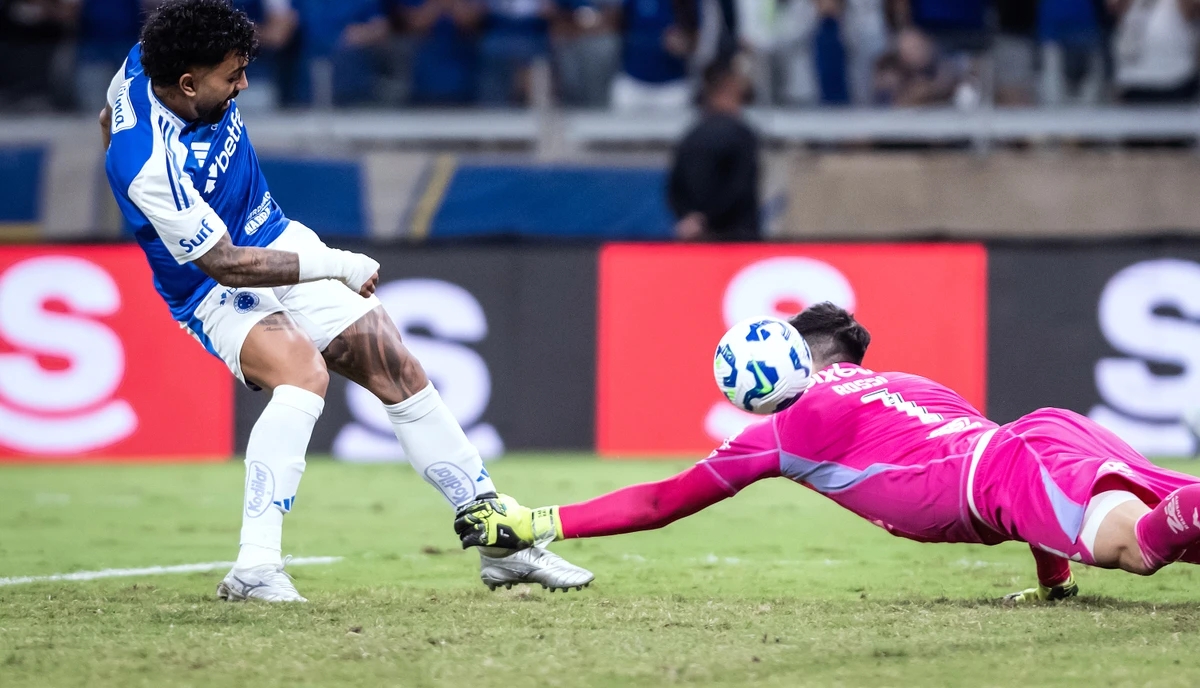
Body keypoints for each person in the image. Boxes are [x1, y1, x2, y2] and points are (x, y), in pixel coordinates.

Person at [99, 0, 593, 602]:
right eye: (232, 76)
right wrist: (338, 263)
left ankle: (500, 542)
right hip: (210, 285)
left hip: (272, 234)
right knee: (302, 375)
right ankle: (256, 567)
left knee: (397, 365)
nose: (243, 85)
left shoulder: (145, 58)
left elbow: (106, 118)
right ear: (186, 83)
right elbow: (224, 263)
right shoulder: (149, 162)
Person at [456, 301, 1200, 602]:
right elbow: (1016, 474)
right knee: (1184, 537)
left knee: (1141, 550)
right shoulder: (903, 384)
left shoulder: (783, 432)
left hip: (1011, 467)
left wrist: (535, 522)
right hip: (1048, 435)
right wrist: (1054, 582)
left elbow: (660, 501)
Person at [291, 0, 388, 105]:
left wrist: (366, 33)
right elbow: (286, 22)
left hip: (353, 79)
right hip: (308, 76)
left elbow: (381, 28)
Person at [667, 59, 760, 241]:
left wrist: (688, 217)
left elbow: (674, 186)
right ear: (723, 94)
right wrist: (707, 219)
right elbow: (739, 186)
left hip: (695, 233)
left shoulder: (691, 134)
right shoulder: (740, 135)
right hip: (734, 236)